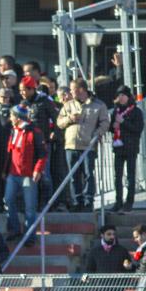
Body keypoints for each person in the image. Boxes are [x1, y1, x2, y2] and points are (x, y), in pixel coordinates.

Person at [57, 79, 109, 212]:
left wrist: (95, 135)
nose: (70, 92)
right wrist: (70, 119)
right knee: (73, 176)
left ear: (81, 90)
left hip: (88, 146)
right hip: (71, 145)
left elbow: (104, 123)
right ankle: (76, 201)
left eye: (73, 89)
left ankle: (88, 201)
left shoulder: (98, 105)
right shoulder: (68, 105)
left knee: (88, 174)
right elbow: (59, 122)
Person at [4, 105, 46, 241]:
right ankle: (15, 229)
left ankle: (29, 236)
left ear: (17, 117)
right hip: (13, 173)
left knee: (30, 207)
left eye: (12, 116)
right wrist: (5, 170)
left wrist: (37, 170)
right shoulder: (12, 131)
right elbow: (9, 154)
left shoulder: (34, 132)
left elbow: (42, 154)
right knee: (8, 199)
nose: (10, 119)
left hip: (28, 175)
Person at [110, 85, 144, 212]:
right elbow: (111, 128)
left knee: (130, 176)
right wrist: (113, 125)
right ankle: (118, 201)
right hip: (118, 147)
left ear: (128, 97)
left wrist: (123, 122)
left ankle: (129, 202)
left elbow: (138, 129)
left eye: (123, 95)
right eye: (119, 96)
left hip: (131, 147)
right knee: (117, 176)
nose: (121, 98)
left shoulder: (136, 111)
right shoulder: (116, 110)